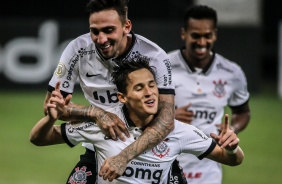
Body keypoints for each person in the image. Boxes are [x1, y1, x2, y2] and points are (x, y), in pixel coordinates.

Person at [31, 56, 244, 184]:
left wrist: (233, 147)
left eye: (152, 85)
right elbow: (38, 138)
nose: (150, 93)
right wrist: (51, 119)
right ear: (122, 97)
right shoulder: (105, 126)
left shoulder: (178, 131)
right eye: (139, 88)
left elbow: (231, 159)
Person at [43, 0, 175, 183]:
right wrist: (96, 113)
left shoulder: (154, 57)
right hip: (100, 146)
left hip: (150, 150)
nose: (101, 39)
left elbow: (166, 120)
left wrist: (123, 157)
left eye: (109, 30)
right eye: (95, 31)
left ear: (126, 26)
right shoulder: (77, 49)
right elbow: (52, 107)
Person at [168, 5, 251, 184]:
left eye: (207, 35)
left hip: (209, 166)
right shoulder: (163, 66)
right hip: (168, 160)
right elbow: (141, 110)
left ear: (215, 34)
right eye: (196, 36)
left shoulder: (232, 72)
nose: (202, 42)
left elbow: (243, 112)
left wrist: (232, 130)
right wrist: (169, 117)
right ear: (184, 33)